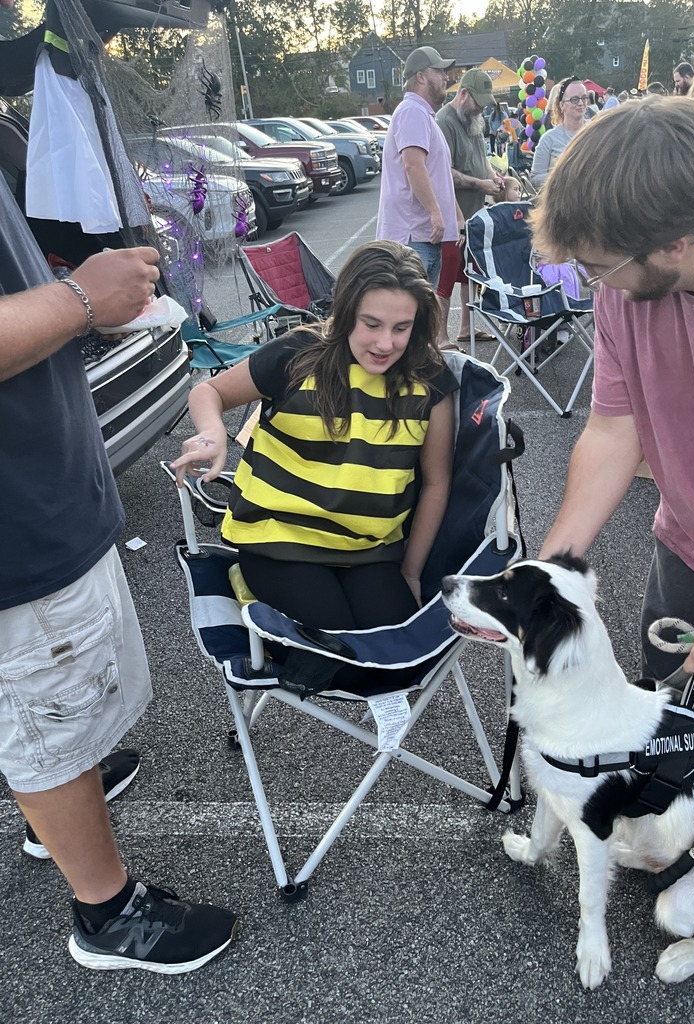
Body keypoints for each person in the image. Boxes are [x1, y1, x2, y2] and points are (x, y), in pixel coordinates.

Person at [529, 95, 694, 991]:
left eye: (600, 265)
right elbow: (613, 427)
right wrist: (552, 569)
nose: (594, 283)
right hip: (688, 547)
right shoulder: (632, 281)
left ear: (672, 244)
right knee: (684, 742)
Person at [0, 178, 237, 971]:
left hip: (46, 487)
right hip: (12, 538)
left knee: (59, 705)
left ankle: (55, 807)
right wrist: (77, 299)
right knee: (42, 713)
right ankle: (106, 916)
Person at [173, 241, 456, 644]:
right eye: (371, 324)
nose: (385, 344)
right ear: (346, 312)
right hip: (278, 538)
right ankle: (245, 578)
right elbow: (208, 393)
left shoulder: (430, 380)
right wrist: (212, 434)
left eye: (401, 328)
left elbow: (436, 482)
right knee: (340, 656)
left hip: (369, 549)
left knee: (399, 652)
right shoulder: (299, 353)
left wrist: (410, 571)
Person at [376, 45, 459, 288]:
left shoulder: (421, 113)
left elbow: (436, 174)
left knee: (420, 318)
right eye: (440, 71)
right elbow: (413, 165)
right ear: (421, 77)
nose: (446, 77)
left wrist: (453, 216)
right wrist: (435, 212)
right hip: (412, 240)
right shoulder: (412, 111)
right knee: (410, 317)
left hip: (423, 237)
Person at [435, 68, 506, 350]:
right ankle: (440, 336)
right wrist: (480, 184)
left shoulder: (474, 120)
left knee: (470, 274)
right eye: (478, 101)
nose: (482, 108)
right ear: (463, 94)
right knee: (445, 277)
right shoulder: (445, 122)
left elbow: (482, 158)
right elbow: (442, 172)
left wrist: (495, 177)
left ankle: (466, 327)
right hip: (454, 216)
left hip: (475, 216)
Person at [530, 77, 589, 189]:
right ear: (562, 105)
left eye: (584, 98)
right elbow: (535, 178)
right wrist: (564, 175)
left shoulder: (596, 132)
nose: (581, 103)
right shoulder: (549, 139)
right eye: (574, 99)